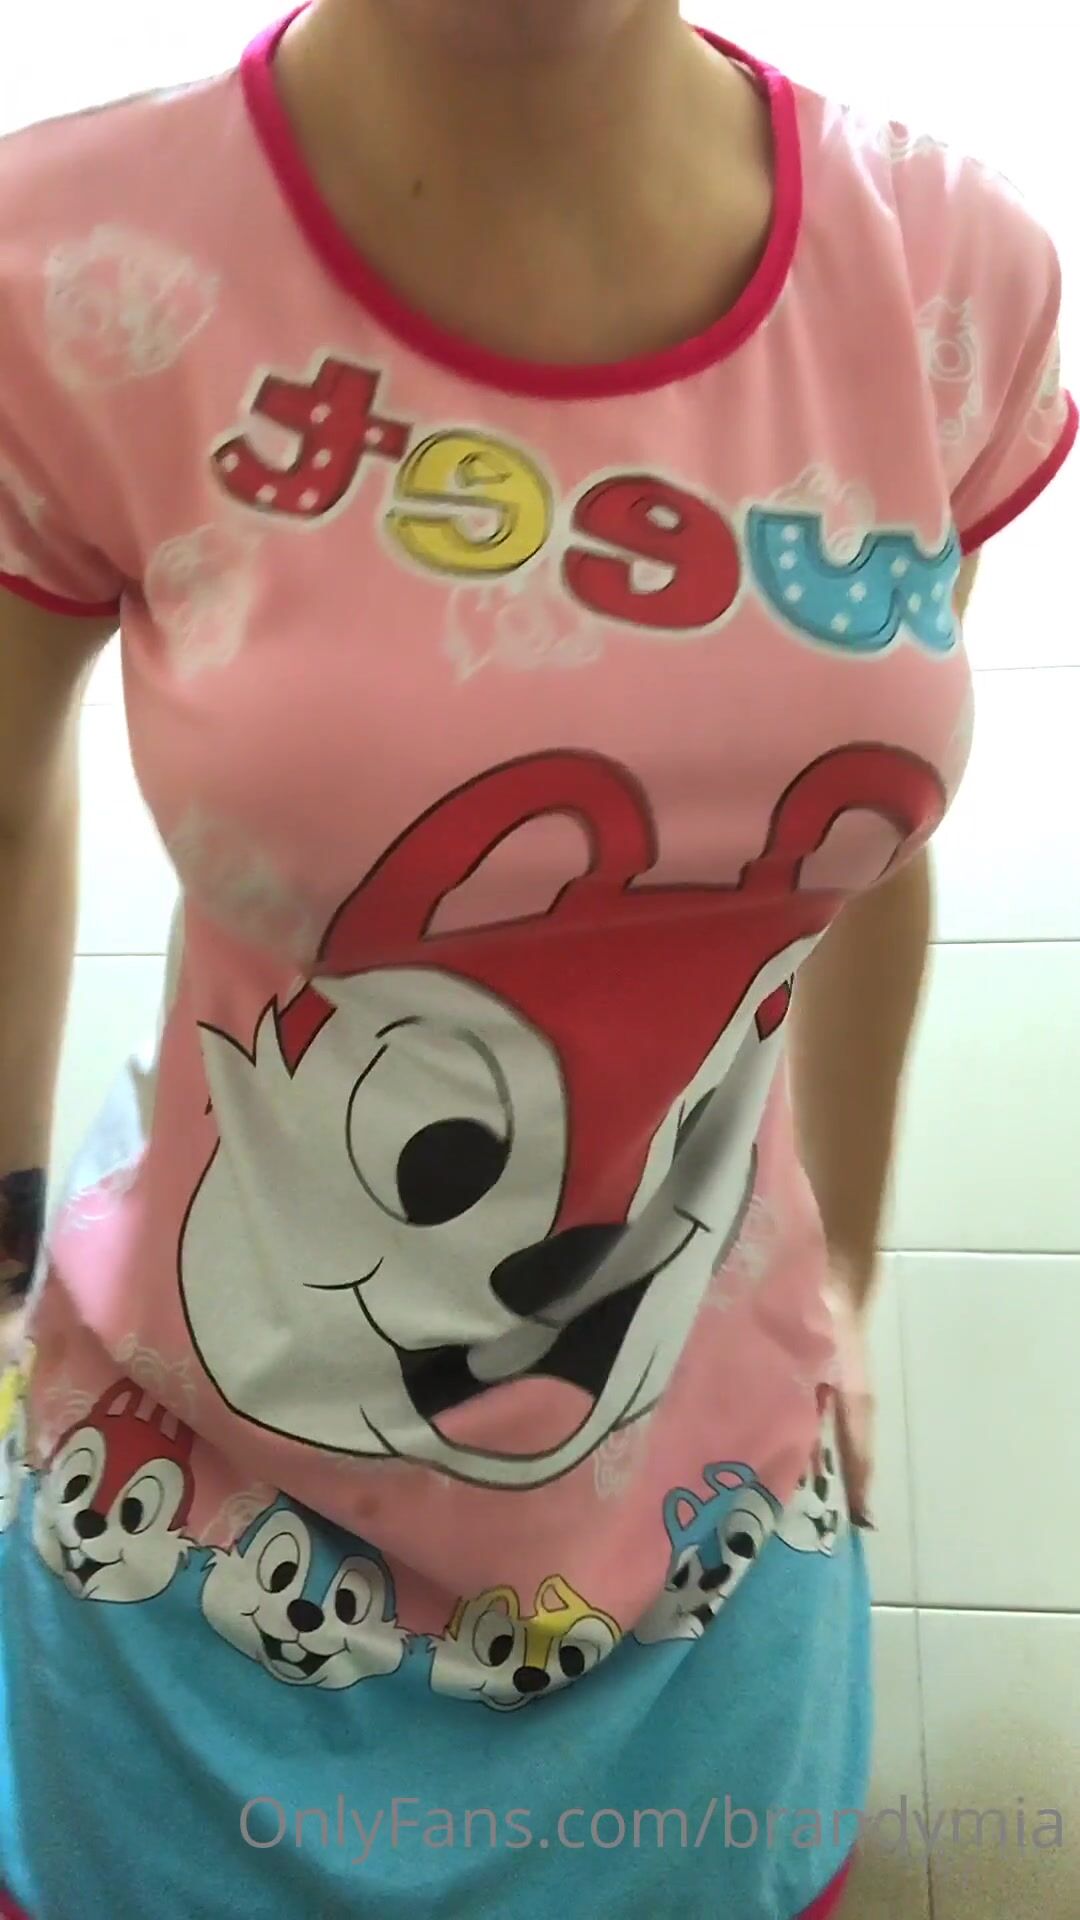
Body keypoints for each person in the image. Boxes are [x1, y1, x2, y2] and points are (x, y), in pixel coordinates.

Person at [0, 2, 1073, 1915]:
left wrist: (842, 1266)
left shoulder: (949, 273)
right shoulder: (71, 260)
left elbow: (864, 836)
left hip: (707, 1547)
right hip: (200, 1549)